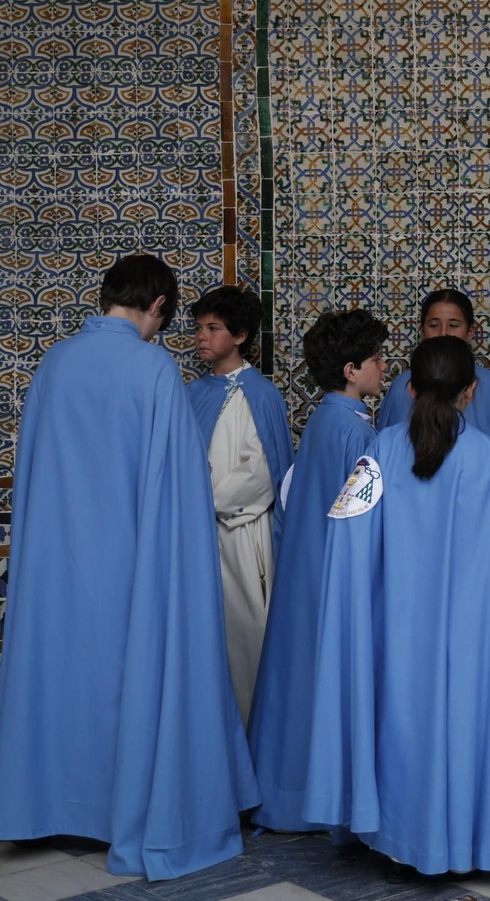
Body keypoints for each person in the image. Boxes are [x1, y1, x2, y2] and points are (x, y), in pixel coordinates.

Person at [0, 254, 257, 880]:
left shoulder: (53, 364)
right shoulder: (154, 369)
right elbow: (181, 491)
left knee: (62, 673)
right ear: (157, 306)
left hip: (57, 564)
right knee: (130, 683)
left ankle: (46, 805)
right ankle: (125, 807)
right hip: (134, 562)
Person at [303, 337, 490, 875]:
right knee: (464, 730)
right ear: (471, 392)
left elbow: (347, 540)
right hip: (473, 634)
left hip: (395, 629)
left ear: (408, 388)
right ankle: (465, 841)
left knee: (401, 724)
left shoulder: (379, 450)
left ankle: (404, 836)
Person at [247, 308, 386, 831]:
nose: (383, 367)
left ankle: (282, 796)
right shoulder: (355, 433)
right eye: (375, 359)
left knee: (296, 680)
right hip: (332, 579)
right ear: (351, 370)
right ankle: (315, 801)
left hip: (304, 572)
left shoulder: (327, 420)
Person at [185, 284, 294, 723]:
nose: (202, 337)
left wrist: (195, 500)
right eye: (198, 328)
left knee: (244, 638)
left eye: (214, 328)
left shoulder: (259, 394)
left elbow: (262, 472)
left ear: (241, 335)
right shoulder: (191, 393)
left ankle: (248, 742)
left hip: (240, 539)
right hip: (193, 536)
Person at [377, 288, 490, 472]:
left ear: (470, 331)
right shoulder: (402, 385)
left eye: (453, 325)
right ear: (422, 330)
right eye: (434, 325)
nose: (443, 333)